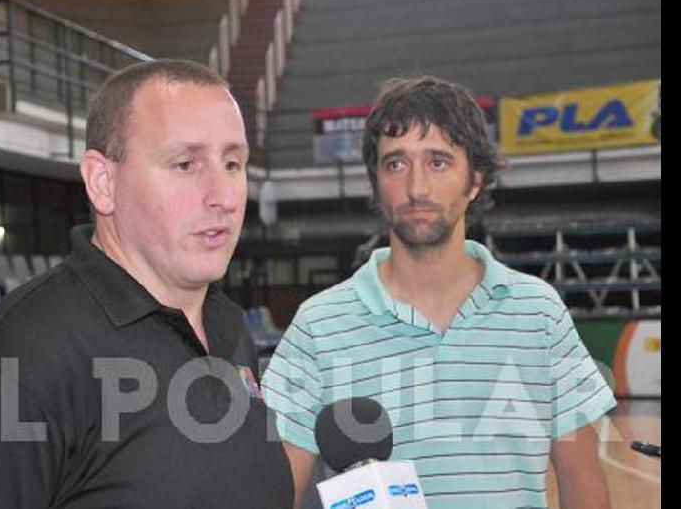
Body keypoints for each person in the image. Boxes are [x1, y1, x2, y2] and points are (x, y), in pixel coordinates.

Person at [0, 59, 293, 508]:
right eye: (185, 164)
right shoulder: (7, 372)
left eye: (232, 163)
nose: (223, 196)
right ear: (102, 182)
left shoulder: (228, 328)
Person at [261, 76, 615, 509]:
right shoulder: (318, 324)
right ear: (376, 181)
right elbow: (280, 496)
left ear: (475, 182)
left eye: (438, 162)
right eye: (396, 164)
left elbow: (584, 488)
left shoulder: (538, 312)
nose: (416, 188)